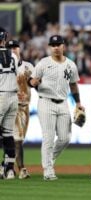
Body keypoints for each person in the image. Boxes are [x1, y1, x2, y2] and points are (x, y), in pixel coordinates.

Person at [29, 35, 85, 180]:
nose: (56, 47)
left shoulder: (71, 64)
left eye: (58, 44)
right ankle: (47, 170)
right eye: (53, 45)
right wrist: (32, 82)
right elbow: (31, 81)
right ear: (50, 47)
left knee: (65, 138)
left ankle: (49, 159)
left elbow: (73, 85)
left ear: (63, 46)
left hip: (63, 103)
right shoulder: (43, 63)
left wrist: (78, 103)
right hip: (46, 102)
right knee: (48, 137)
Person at [6, 40, 33, 179]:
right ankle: (20, 169)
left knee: (19, 139)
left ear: (20, 48)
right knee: (15, 138)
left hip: (24, 108)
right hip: (10, 106)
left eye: (15, 47)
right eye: (9, 47)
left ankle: (7, 165)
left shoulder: (28, 66)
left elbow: (33, 82)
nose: (13, 49)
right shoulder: (4, 67)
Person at [0, 27, 19, 179]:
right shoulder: (13, 55)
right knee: (8, 134)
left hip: (1, 96)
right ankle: (10, 169)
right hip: (13, 98)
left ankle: (1, 169)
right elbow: (18, 76)